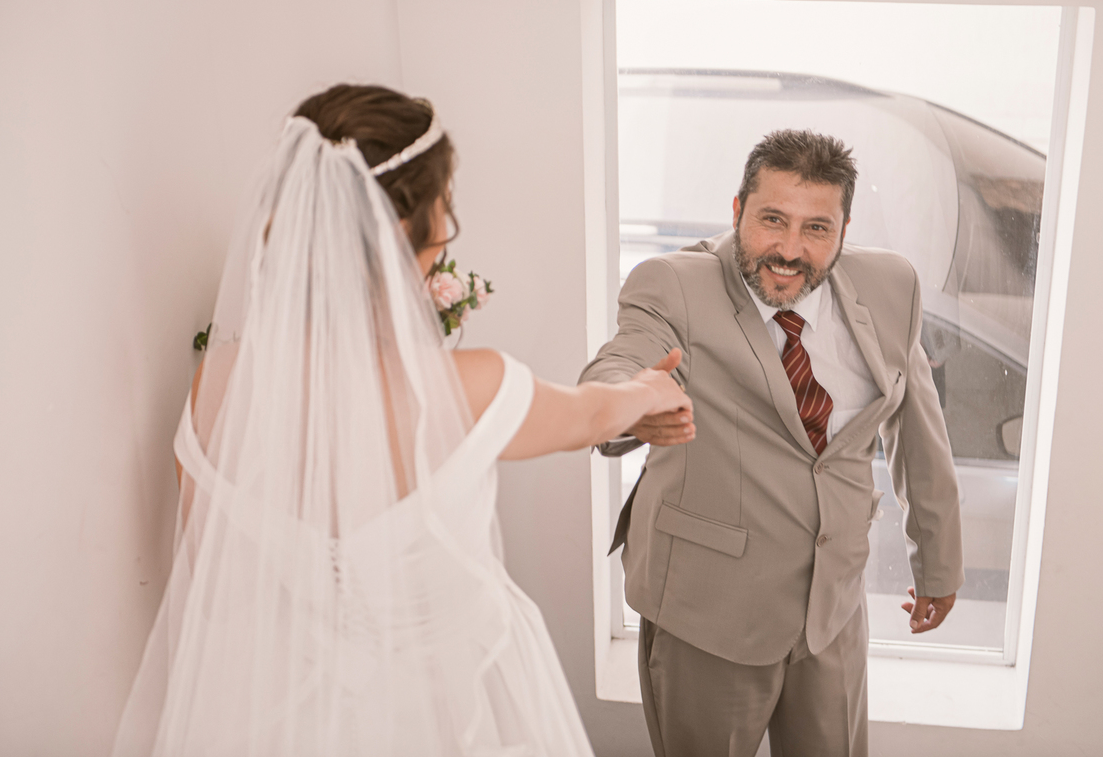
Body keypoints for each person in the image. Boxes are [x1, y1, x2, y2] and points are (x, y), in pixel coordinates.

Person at [112, 84, 691, 757]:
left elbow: (211, 584)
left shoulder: (219, 383)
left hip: (285, 715)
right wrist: (649, 388)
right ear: (411, 234)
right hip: (451, 713)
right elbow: (592, 412)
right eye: (446, 198)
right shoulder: (472, 385)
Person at [579, 129, 965, 757]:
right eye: (772, 221)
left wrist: (939, 563)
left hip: (832, 614)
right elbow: (622, 364)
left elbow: (918, 429)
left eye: (817, 228)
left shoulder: (894, 286)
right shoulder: (673, 284)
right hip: (707, 615)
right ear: (736, 213)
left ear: (843, 230)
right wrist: (631, 406)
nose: (789, 250)